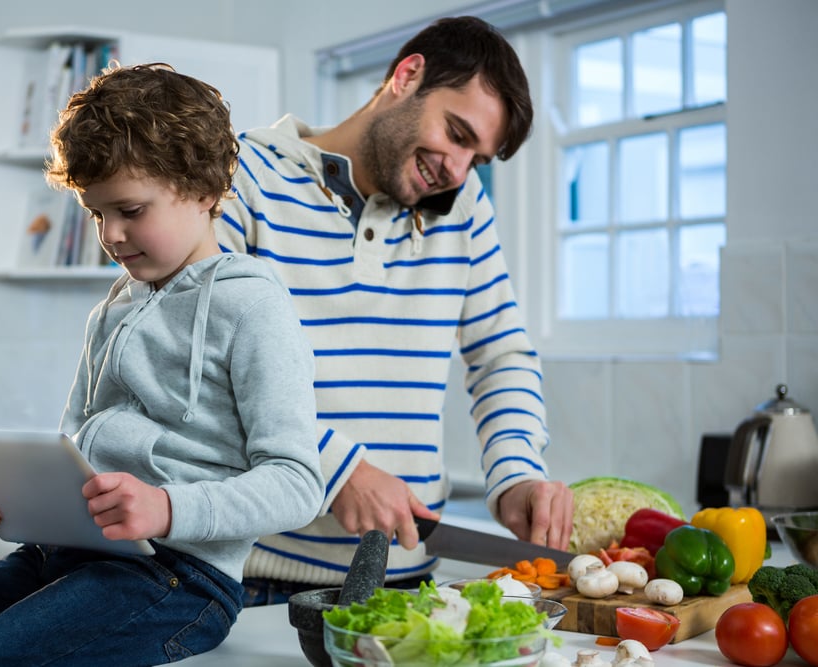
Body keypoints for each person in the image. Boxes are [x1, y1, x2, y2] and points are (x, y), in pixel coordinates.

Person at [0, 64, 323, 666]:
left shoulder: (254, 306)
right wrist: (1, 501)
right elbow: (74, 447)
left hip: (180, 579)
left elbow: (299, 483)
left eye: (131, 210)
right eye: (96, 214)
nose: (111, 234)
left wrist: (167, 508)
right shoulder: (113, 307)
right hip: (59, 556)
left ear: (204, 189)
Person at [215, 15, 574, 606]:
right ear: (407, 77)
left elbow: (500, 352)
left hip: (408, 580)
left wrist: (517, 474)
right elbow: (206, 367)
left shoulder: (462, 206)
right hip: (258, 577)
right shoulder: (242, 177)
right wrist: (336, 468)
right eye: (457, 133)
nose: (457, 170)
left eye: (476, 157)